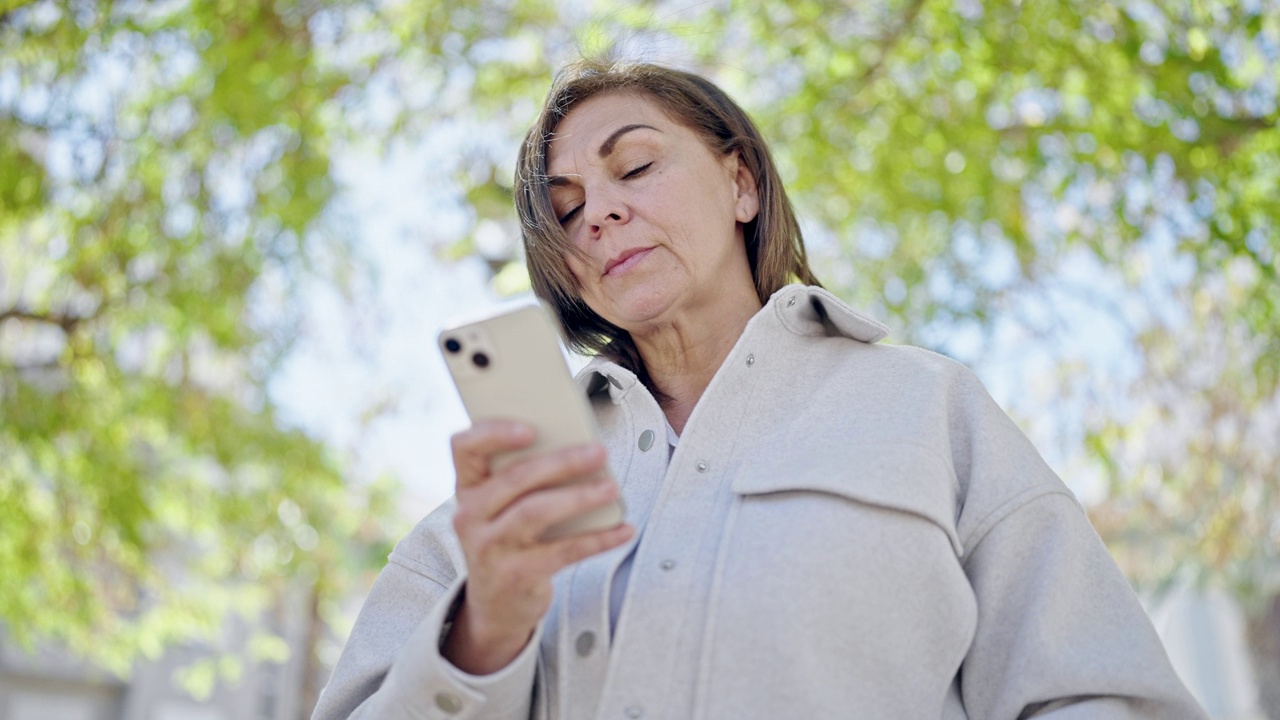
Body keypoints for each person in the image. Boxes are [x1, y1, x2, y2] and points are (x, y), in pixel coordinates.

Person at [312, 60, 1207, 719]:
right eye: (567, 206)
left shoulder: (927, 409)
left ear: (740, 181)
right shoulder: (504, 501)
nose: (601, 213)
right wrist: (484, 633)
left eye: (634, 168)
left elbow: (1103, 694)